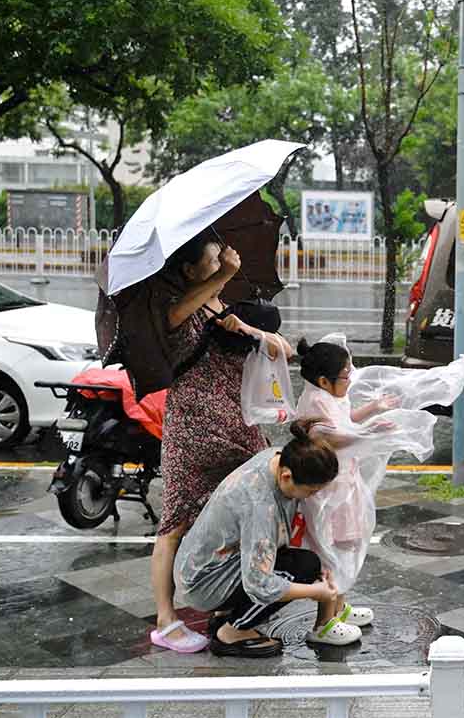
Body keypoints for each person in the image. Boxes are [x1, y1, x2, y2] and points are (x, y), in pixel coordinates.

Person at [149, 233, 293, 654]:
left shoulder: (223, 305)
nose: (226, 258)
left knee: (252, 510)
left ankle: (232, 602)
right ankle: (165, 617)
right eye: (215, 258)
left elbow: (279, 349)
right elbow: (176, 317)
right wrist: (225, 275)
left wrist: (245, 326)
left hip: (239, 424)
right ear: (191, 271)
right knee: (176, 523)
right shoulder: (177, 310)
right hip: (193, 431)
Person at [174, 422, 358, 657]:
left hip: (205, 564)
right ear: (287, 476)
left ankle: (227, 615)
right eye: (311, 491)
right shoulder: (260, 505)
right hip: (204, 585)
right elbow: (259, 583)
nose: (313, 497)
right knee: (301, 568)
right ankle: (231, 633)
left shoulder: (278, 456)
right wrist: (316, 592)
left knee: (304, 563)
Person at [291, 338, 399, 638]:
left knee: (344, 549)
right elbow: (332, 437)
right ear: (324, 380)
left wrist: (373, 409)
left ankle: (340, 607)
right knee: (331, 554)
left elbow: (345, 420)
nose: (350, 380)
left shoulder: (326, 395)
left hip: (343, 487)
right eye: (345, 375)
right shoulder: (313, 401)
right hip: (327, 493)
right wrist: (368, 433)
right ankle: (324, 623)